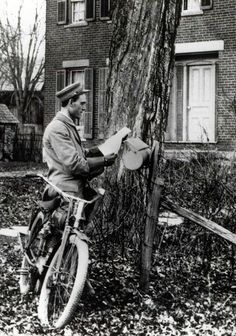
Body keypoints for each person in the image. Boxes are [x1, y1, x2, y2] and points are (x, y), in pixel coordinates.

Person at [43, 81, 116, 201]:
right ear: (71, 103)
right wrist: (105, 161)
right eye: (81, 103)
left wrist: (110, 144)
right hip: (65, 192)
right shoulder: (58, 128)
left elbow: (83, 153)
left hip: (72, 189)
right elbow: (75, 164)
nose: (84, 107)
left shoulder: (66, 125)